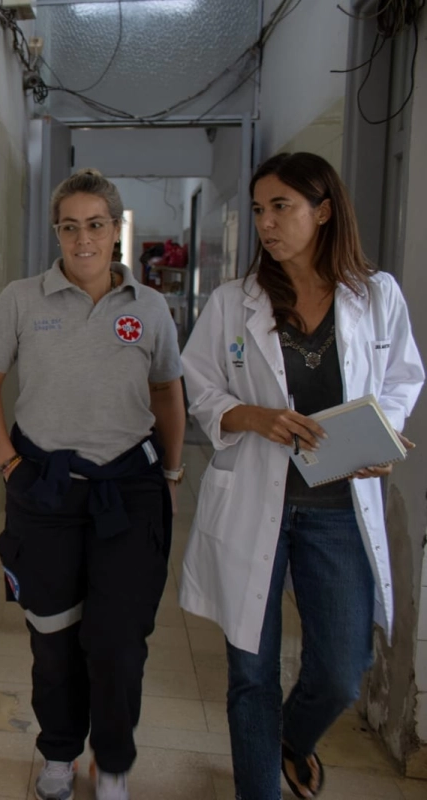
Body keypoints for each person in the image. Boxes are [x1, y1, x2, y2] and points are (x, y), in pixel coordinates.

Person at [180, 152, 424, 800]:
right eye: (259, 209)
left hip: (338, 509)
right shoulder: (234, 303)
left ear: (323, 212)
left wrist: (382, 433)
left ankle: (291, 739)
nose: (266, 222)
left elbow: (403, 378)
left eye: (281, 207)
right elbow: (199, 384)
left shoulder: (376, 296)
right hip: (253, 502)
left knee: (343, 667)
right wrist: (249, 415)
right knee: (250, 672)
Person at [0, 168, 186, 800]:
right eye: (70, 227)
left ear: (115, 230)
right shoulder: (22, 299)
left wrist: (172, 473)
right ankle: (60, 754)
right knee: (54, 636)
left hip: (129, 489)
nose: (83, 239)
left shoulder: (149, 307)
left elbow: (167, 393)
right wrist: (10, 464)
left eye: (95, 225)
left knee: (119, 641)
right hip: (46, 490)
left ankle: (112, 763)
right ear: (57, 232)